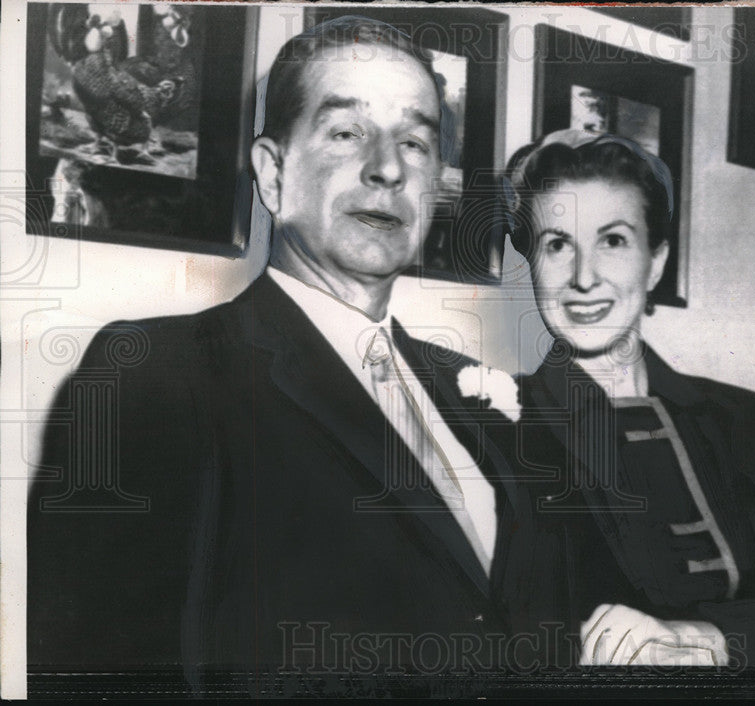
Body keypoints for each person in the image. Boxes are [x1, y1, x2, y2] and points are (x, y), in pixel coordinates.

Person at [27, 16, 534, 687]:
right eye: (347, 132)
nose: (387, 168)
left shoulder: (474, 389)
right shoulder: (156, 373)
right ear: (272, 172)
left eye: (414, 141)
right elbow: (98, 672)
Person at [500, 129, 755, 669]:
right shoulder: (498, 426)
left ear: (655, 263)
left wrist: (700, 637)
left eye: (613, 240)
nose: (583, 277)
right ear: (532, 268)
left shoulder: (747, 420)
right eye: (557, 244)